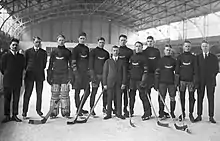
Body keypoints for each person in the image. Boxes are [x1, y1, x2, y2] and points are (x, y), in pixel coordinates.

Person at [47, 34, 72, 118]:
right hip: (55, 76)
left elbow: (71, 65)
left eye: (62, 40)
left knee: (65, 95)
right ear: (57, 41)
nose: (61, 42)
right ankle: (53, 112)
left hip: (64, 75)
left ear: (64, 41)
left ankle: (66, 112)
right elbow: (50, 65)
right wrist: (49, 76)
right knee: (55, 95)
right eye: (59, 40)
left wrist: (70, 76)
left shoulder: (68, 52)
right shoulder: (54, 52)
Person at [1, 38, 25, 123]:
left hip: (17, 81)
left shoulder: (21, 57)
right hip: (8, 80)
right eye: (13, 45)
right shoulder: (5, 56)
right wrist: (8, 74)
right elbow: (2, 68)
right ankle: (7, 116)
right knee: (7, 99)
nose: (15, 46)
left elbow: (22, 67)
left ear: (18, 46)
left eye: (16, 45)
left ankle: (15, 115)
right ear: (10, 46)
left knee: (16, 99)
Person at [22, 37, 47, 119]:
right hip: (30, 75)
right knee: (27, 94)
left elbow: (44, 64)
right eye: (36, 42)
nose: (38, 43)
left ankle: (38, 110)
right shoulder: (28, 52)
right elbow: (25, 64)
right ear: (33, 42)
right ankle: (24, 112)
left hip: (39, 75)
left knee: (39, 94)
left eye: (39, 42)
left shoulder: (43, 52)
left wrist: (38, 69)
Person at [194, 40, 219, 124]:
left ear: (209, 47)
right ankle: (199, 115)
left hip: (210, 81)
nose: (205, 48)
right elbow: (196, 70)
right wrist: (197, 80)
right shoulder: (198, 57)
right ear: (201, 47)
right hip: (200, 81)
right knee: (200, 98)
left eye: (206, 46)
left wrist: (212, 76)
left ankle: (211, 116)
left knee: (210, 98)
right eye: (203, 46)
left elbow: (216, 69)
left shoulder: (213, 57)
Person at [175, 40, 198, 122]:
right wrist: (176, 82)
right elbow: (177, 70)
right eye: (186, 46)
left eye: (188, 46)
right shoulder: (180, 57)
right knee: (182, 98)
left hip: (191, 81)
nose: (187, 48)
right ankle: (183, 113)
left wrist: (195, 81)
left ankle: (191, 113)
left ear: (190, 47)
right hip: (182, 81)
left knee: (191, 98)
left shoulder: (194, 57)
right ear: (183, 47)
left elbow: (196, 70)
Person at [103, 45, 126, 120]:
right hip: (110, 82)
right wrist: (105, 84)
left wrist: (123, 83)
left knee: (119, 98)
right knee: (109, 98)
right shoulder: (108, 62)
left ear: (118, 51)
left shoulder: (122, 62)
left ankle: (119, 113)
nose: (115, 52)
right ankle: (108, 113)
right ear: (112, 52)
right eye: (114, 51)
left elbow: (124, 73)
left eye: (116, 50)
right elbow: (105, 73)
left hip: (119, 83)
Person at [128, 41, 149, 120]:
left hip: (140, 80)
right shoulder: (132, 57)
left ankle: (147, 113)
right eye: (136, 46)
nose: (138, 48)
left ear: (142, 48)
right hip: (132, 80)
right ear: (134, 47)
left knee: (143, 97)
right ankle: (130, 111)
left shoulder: (144, 58)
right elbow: (129, 68)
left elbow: (146, 70)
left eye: (139, 46)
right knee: (131, 96)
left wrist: (143, 81)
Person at [89, 37, 110, 115]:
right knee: (94, 92)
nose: (101, 44)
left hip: (104, 76)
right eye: (100, 42)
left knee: (105, 92)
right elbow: (90, 64)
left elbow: (108, 65)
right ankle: (92, 108)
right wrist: (92, 75)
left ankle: (105, 107)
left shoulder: (106, 53)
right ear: (97, 43)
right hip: (96, 75)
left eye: (103, 42)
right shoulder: (93, 52)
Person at [155, 44, 176, 119]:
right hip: (162, 82)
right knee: (161, 98)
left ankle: (172, 112)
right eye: (167, 50)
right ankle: (161, 112)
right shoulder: (160, 61)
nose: (168, 51)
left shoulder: (174, 61)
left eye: (169, 50)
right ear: (164, 51)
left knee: (172, 98)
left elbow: (176, 73)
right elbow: (157, 72)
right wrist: (156, 83)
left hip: (171, 83)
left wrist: (176, 84)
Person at [71, 32, 90, 116]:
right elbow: (73, 62)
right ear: (78, 39)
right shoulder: (75, 49)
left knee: (87, 91)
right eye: (81, 38)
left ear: (85, 39)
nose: (82, 40)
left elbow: (88, 61)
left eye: (83, 38)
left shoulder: (87, 49)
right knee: (77, 92)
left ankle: (80, 107)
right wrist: (76, 73)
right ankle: (78, 109)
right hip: (77, 74)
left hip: (85, 74)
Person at [142, 36, 161, 119]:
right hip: (148, 75)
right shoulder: (144, 52)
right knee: (146, 94)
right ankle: (147, 112)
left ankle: (162, 111)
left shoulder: (157, 51)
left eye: (151, 41)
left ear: (154, 42)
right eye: (148, 41)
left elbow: (159, 62)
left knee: (160, 93)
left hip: (156, 75)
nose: (149, 42)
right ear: (146, 42)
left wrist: (158, 71)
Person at [118, 34, 133, 117]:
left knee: (126, 94)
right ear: (119, 41)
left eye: (124, 40)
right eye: (121, 40)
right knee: (117, 93)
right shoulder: (116, 50)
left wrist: (129, 73)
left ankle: (125, 109)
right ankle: (117, 109)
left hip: (126, 75)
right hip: (117, 75)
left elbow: (131, 63)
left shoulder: (129, 51)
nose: (123, 42)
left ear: (126, 41)